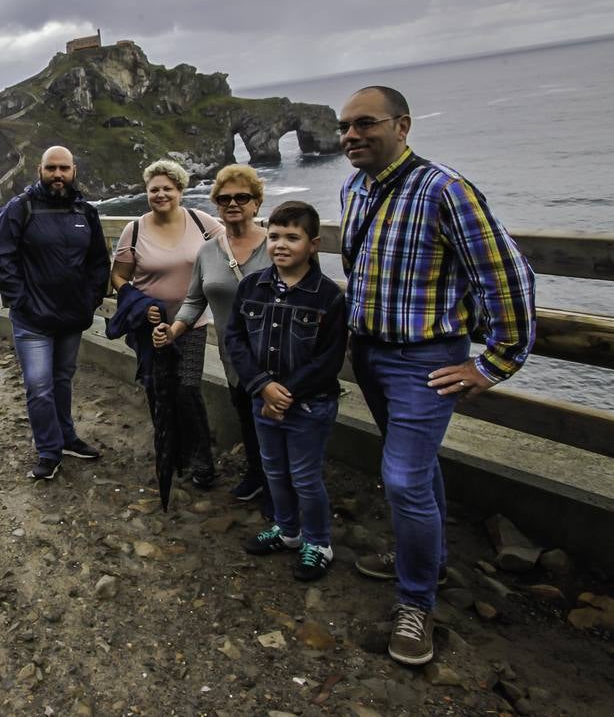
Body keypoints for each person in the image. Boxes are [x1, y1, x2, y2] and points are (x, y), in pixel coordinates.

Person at [337, 85, 536, 666]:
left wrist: (493, 363)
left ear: (402, 126)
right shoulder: (355, 187)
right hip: (371, 354)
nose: (350, 136)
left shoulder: (444, 191)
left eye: (364, 124)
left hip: (425, 361)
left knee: (400, 478)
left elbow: (509, 276)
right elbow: (364, 268)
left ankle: (416, 602)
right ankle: (433, 561)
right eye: (344, 127)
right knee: (416, 473)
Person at [220, 201, 347, 582]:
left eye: (293, 237)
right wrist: (262, 387)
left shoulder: (327, 296)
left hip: (309, 406)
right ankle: (288, 530)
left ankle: (318, 541)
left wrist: (284, 393)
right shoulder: (251, 286)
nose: (281, 244)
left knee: (306, 476)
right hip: (263, 400)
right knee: (274, 470)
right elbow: (235, 339)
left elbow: (329, 357)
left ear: (314, 244)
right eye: (274, 236)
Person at [0, 145, 109, 481]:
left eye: (64, 168)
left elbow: (99, 261)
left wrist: (92, 297)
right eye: (51, 168)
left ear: (73, 171)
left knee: (62, 380)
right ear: (39, 169)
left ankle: (67, 438)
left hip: (72, 316)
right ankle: (48, 451)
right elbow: (0, 256)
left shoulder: (86, 212)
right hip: (32, 320)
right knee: (39, 386)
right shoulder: (20, 208)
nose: (58, 174)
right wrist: (21, 300)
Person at [161, 164, 273, 508]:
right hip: (234, 357)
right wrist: (174, 330)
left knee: (277, 422)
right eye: (224, 199)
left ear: (256, 203)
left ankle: (281, 491)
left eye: (242, 197)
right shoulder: (209, 251)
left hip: (275, 355)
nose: (233, 203)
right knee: (247, 417)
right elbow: (195, 299)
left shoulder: (275, 245)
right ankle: (258, 475)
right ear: (216, 206)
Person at [110, 159, 223, 491]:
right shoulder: (135, 229)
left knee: (187, 389)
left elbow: (235, 244)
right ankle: (172, 453)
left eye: (167, 188)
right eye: (154, 189)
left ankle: (202, 459)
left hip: (192, 322)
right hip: (151, 328)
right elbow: (118, 276)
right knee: (157, 389)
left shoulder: (201, 221)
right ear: (147, 192)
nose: (161, 194)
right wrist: (140, 304)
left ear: (180, 191)